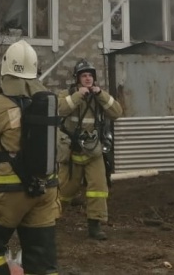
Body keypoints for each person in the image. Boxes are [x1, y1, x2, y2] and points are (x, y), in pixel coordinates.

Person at [0, 39, 59, 275]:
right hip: (47, 188)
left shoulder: (1, 103)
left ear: (6, 69)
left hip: (10, 190)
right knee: (42, 259)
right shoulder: (48, 102)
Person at [57, 58, 123, 240]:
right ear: (77, 78)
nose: (87, 79)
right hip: (71, 151)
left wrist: (100, 94)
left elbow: (117, 112)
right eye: (84, 75)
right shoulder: (67, 94)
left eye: (90, 76)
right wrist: (79, 95)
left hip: (94, 152)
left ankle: (95, 226)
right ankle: (49, 222)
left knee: (98, 188)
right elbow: (59, 109)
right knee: (63, 190)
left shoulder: (100, 96)